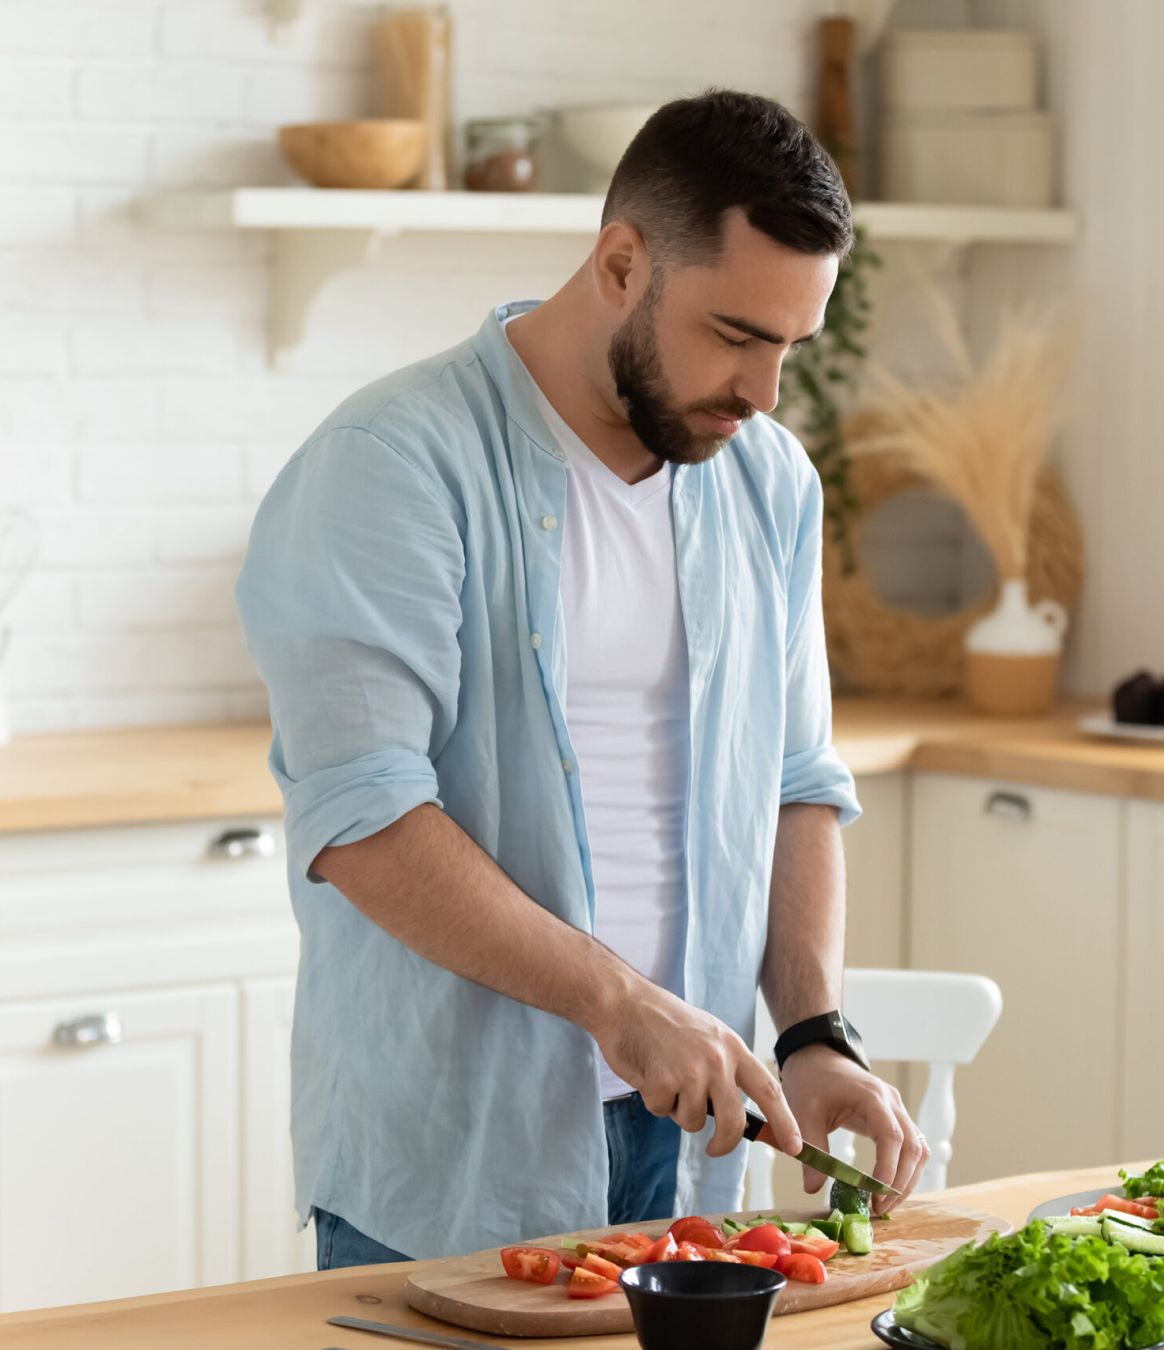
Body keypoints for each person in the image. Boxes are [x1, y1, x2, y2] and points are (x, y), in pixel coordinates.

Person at [235, 88, 929, 1270]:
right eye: (735, 336)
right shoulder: (393, 465)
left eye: (789, 348)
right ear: (621, 263)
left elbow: (797, 779)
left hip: (690, 1138)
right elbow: (364, 819)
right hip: (453, 1150)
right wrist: (623, 1004)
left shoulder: (767, 480)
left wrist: (813, 1028)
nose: (765, 394)